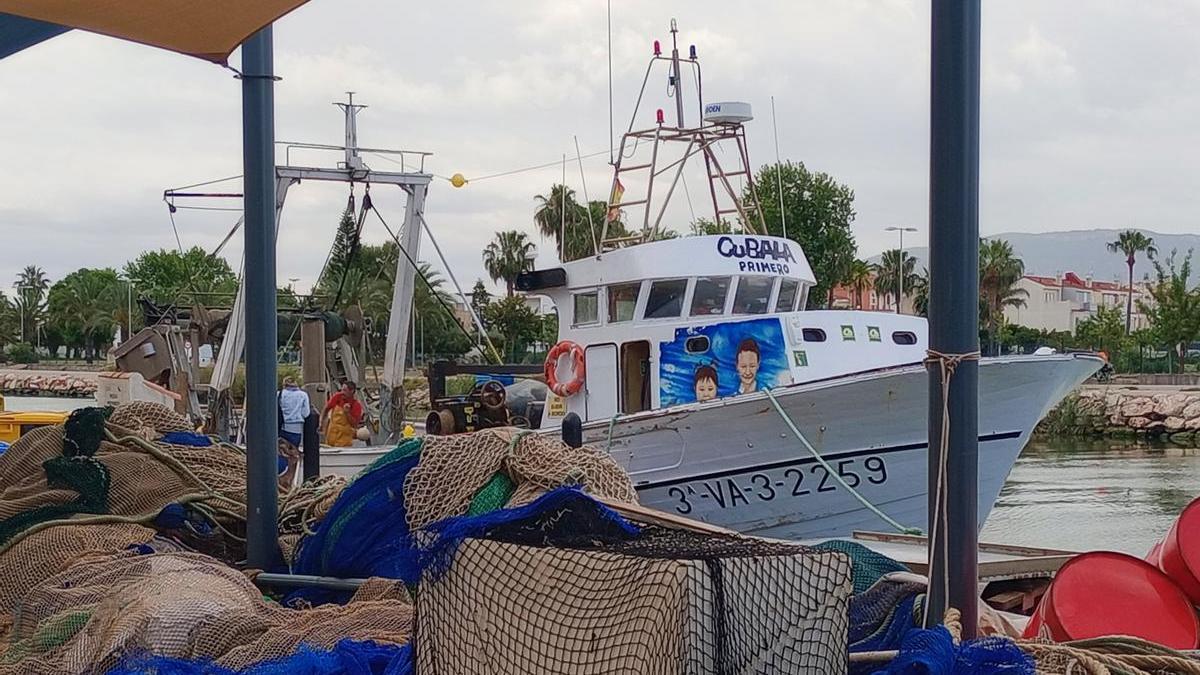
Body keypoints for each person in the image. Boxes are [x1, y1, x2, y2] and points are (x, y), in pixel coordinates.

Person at [277, 377, 310, 487]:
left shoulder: (279, 394)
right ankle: (290, 480)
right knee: (293, 455)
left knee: (281, 453)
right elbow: (306, 413)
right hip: (295, 430)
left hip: (281, 428)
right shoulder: (302, 395)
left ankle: (279, 479)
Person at [322, 380, 364, 447]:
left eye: (345, 390)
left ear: (352, 391)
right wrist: (321, 422)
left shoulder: (356, 405)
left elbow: (354, 424)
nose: (342, 392)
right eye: (342, 390)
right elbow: (326, 408)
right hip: (331, 436)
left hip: (344, 440)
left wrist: (347, 413)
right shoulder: (337, 397)